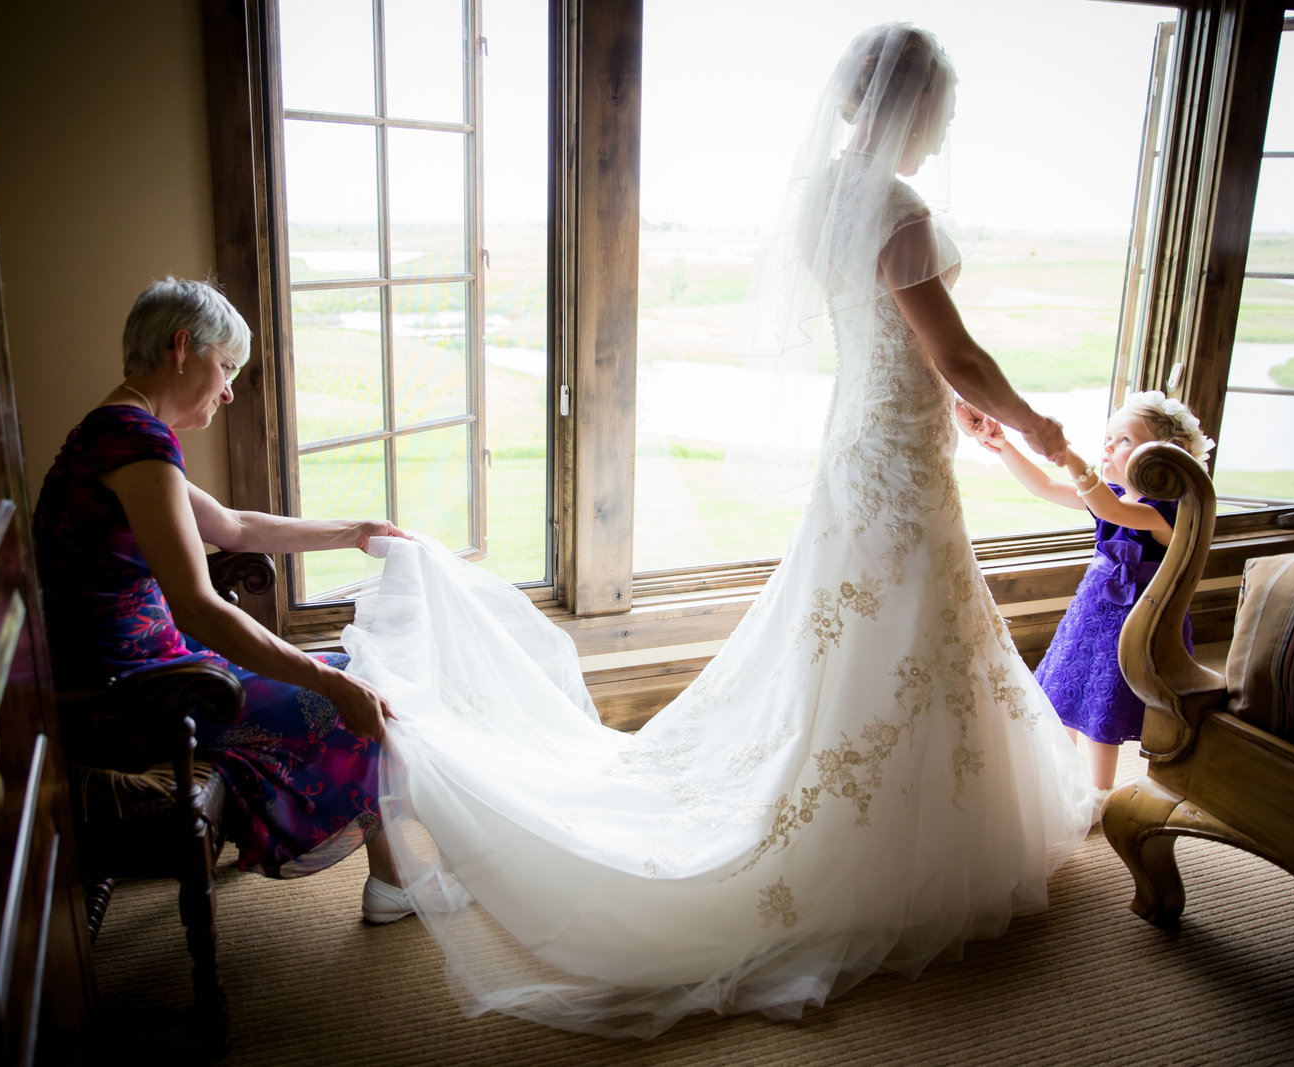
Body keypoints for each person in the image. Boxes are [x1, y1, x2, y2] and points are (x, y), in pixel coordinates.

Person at [338, 22, 1095, 1038]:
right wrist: (1036, 424)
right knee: (903, 623)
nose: (942, 130)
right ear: (913, 105)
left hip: (864, 439)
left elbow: (891, 337)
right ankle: (879, 834)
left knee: (864, 626)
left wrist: (952, 399)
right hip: (896, 454)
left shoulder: (827, 197)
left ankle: (890, 799)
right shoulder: (898, 208)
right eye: (941, 111)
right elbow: (951, 351)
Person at [33, 277, 415, 918]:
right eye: (227, 366)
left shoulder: (111, 432)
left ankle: (391, 878)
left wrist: (355, 531)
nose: (230, 389)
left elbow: (233, 527)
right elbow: (198, 607)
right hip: (136, 692)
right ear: (183, 347)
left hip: (134, 665)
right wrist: (327, 681)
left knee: (358, 676)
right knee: (355, 689)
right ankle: (393, 882)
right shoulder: (137, 443)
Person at [967, 391, 1214, 801]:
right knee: (1064, 691)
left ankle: (1100, 792)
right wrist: (1004, 445)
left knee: (1105, 705)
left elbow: (1112, 512)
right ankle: (1059, 773)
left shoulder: (1164, 512)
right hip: (1091, 614)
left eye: (1125, 440)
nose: (1109, 448)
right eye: (1108, 438)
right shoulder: (1111, 495)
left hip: (1136, 624)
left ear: (1164, 458)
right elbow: (1045, 486)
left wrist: (1069, 457)